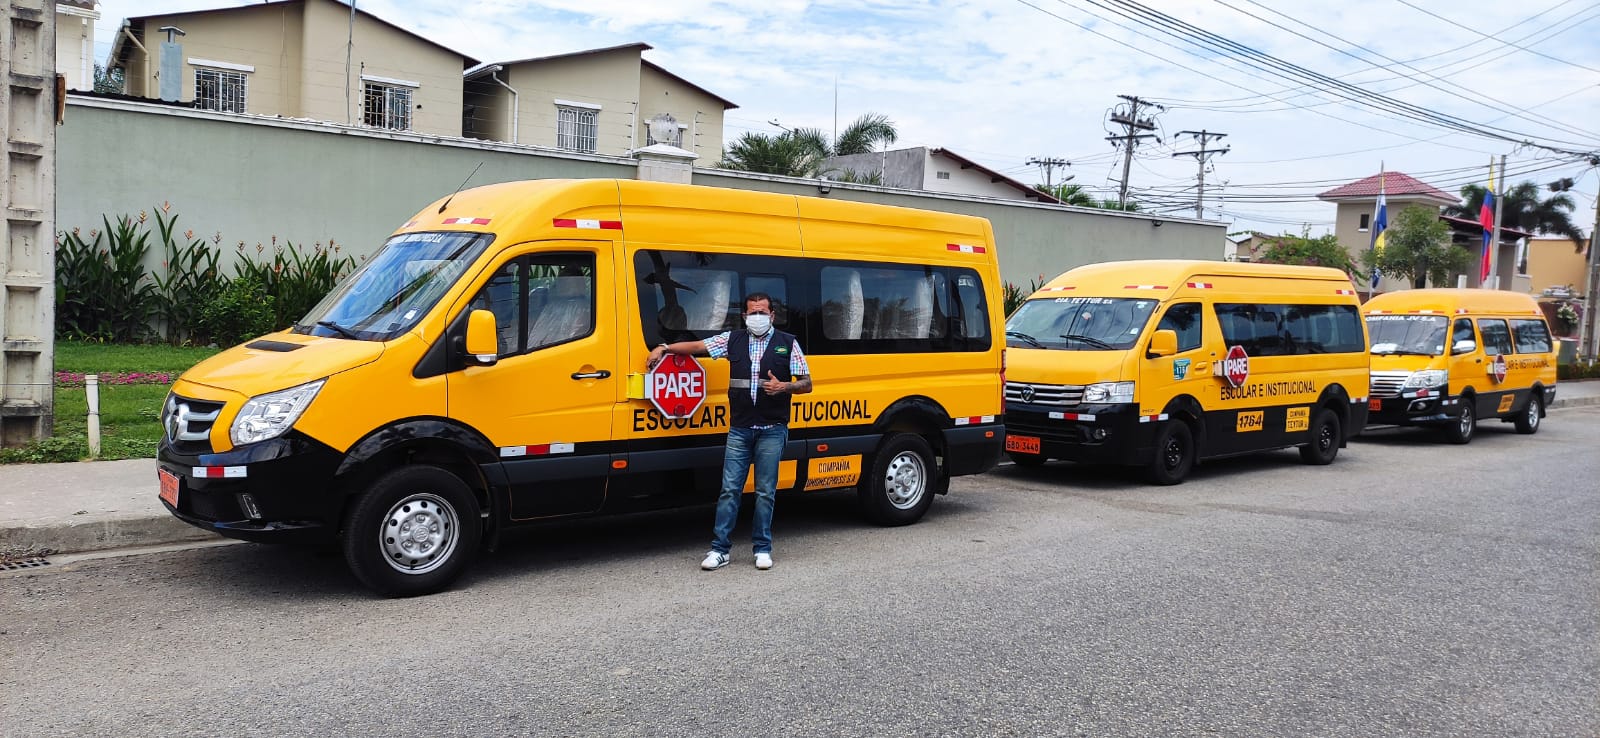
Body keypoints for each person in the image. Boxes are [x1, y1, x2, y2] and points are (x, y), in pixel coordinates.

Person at [647, 292, 812, 571]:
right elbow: (698, 346)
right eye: (752, 313)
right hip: (740, 430)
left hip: (772, 430)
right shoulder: (732, 340)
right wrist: (665, 347)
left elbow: (807, 383)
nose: (757, 317)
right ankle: (720, 549)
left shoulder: (788, 343)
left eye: (762, 312)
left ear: (772, 315)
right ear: (745, 316)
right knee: (729, 490)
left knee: (765, 492)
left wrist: (784, 387)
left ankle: (762, 548)